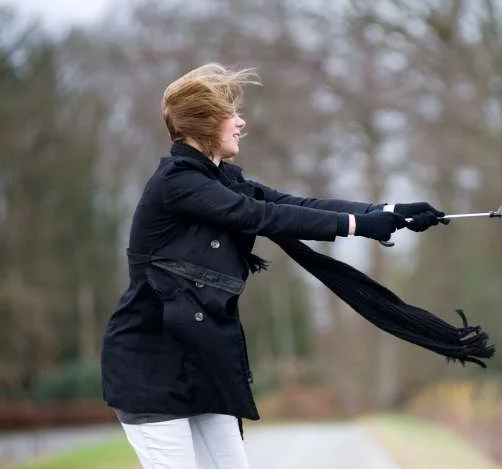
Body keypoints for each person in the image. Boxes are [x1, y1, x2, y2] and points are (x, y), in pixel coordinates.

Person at [100, 63, 447, 468]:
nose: (241, 122)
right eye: (231, 114)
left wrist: (388, 211)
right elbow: (260, 217)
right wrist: (359, 226)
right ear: (205, 122)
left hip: (201, 363)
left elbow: (291, 205)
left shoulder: (219, 180)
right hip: (150, 369)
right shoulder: (177, 183)